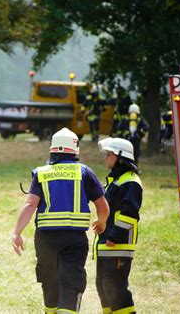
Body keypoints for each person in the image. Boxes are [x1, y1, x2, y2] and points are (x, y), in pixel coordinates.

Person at [12, 127, 109, 313]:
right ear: (75, 150)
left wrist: (17, 233)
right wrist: (101, 220)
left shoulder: (42, 173)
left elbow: (30, 204)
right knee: (72, 281)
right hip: (74, 239)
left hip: (46, 239)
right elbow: (102, 205)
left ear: (52, 149)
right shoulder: (85, 172)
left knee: (49, 280)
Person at [96, 137, 143, 313]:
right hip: (107, 244)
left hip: (117, 244)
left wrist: (114, 236)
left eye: (109, 155)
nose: (105, 158)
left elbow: (130, 214)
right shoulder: (117, 179)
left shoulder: (130, 181)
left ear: (121, 157)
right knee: (104, 288)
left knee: (116, 290)